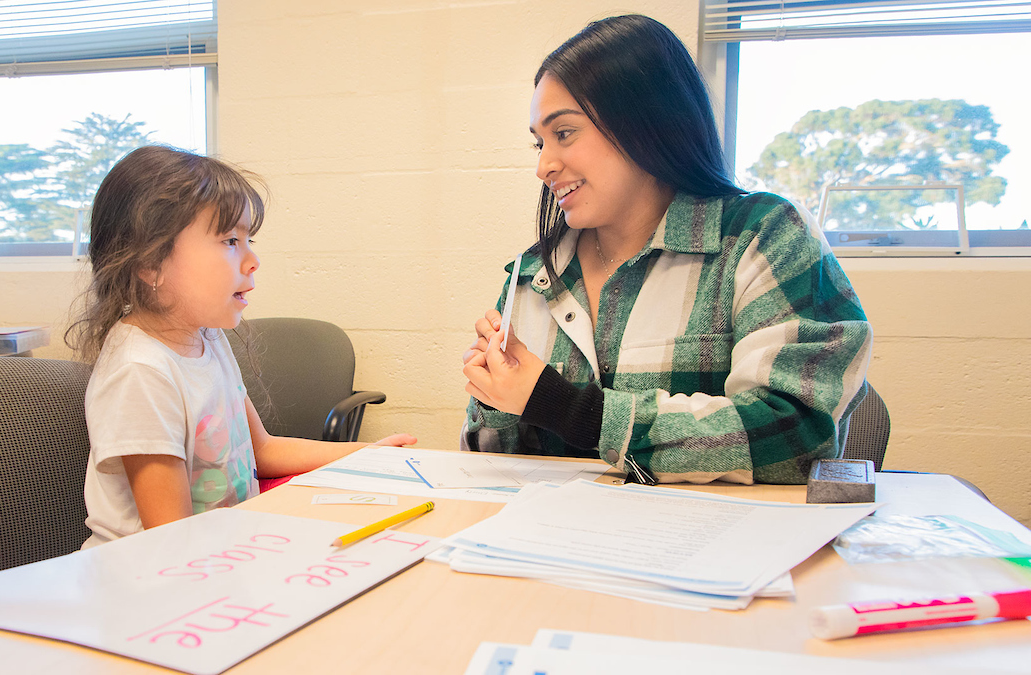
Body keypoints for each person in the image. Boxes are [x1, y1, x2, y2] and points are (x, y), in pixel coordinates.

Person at [461, 15, 872, 485]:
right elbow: (486, 461)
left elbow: (799, 437)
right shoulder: (534, 272)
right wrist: (493, 393)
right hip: (551, 543)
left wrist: (569, 408)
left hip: (711, 545)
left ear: (645, 121)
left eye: (565, 133)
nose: (544, 166)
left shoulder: (761, 237)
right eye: (539, 142)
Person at [69, 146, 415, 547]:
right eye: (231, 240)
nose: (253, 260)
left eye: (248, 239)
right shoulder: (140, 371)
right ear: (149, 263)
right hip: (146, 581)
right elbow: (170, 539)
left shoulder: (206, 335)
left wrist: (369, 454)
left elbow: (263, 449)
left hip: (220, 554)